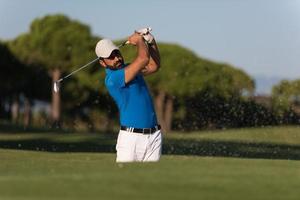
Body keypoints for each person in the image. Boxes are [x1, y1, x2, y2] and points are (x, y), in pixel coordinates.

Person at [95, 29, 162, 162]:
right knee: (124, 181)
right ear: (102, 63)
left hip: (154, 136)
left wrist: (151, 41)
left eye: (117, 53)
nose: (117, 58)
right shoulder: (113, 79)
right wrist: (139, 41)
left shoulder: (131, 68)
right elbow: (143, 59)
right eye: (111, 57)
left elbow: (154, 66)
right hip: (131, 140)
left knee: (152, 181)